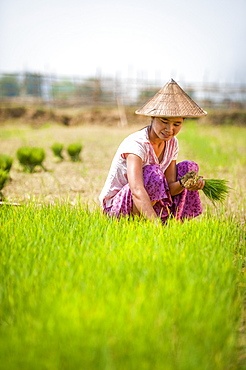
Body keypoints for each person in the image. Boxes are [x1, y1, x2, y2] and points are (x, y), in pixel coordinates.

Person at [99, 79, 207, 224]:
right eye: (164, 121)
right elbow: (136, 190)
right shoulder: (137, 144)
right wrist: (154, 227)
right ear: (153, 117)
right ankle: (140, 224)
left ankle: (173, 223)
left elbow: (169, 187)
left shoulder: (172, 143)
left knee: (189, 167)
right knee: (153, 172)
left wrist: (184, 183)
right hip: (117, 207)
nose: (170, 129)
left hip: (149, 202)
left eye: (177, 124)